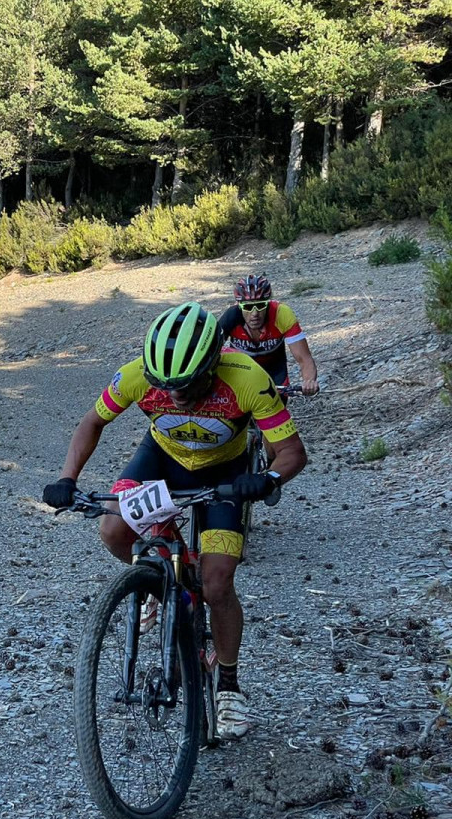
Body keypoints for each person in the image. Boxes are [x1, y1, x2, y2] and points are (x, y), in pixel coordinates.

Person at [43, 301, 308, 740]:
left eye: (185, 385)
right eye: (164, 385)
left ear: (212, 364)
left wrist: (267, 478)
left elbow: (293, 451)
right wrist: (67, 478)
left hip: (226, 473)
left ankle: (228, 684)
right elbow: (92, 422)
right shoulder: (134, 376)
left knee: (218, 582)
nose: (174, 394)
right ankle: (164, 582)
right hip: (162, 460)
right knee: (112, 529)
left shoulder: (246, 379)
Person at [220, 275, 319, 396]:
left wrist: (309, 381)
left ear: (268, 303)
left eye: (261, 305)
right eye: (248, 307)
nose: (254, 313)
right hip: (241, 370)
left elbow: (304, 358)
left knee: (276, 409)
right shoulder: (231, 317)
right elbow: (210, 354)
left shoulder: (281, 314)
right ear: (239, 305)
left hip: (274, 371)